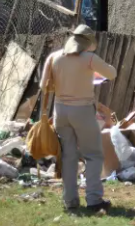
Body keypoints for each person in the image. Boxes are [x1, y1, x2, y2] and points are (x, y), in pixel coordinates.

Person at [40, 25, 117, 211]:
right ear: (87, 43)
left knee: (68, 155)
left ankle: (70, 201)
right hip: (82, 110)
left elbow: (44, 86)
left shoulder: (53, 57)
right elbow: (112, 74)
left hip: (60, 111)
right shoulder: (89, 58)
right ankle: (93, 200)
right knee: (93, 155)